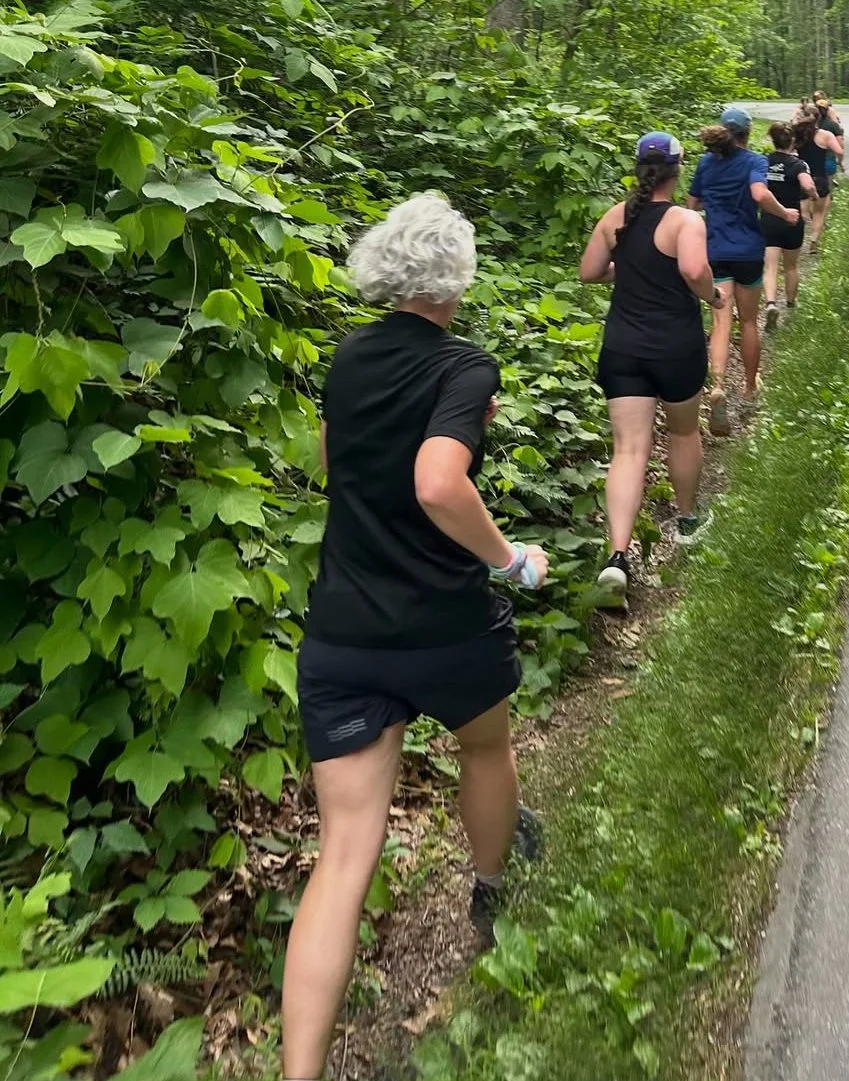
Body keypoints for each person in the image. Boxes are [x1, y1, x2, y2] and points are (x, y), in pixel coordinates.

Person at [282, 194, 548, 1081]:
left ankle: (299, 1073)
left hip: (344, 630)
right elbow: (439, 483)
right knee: (486, 746)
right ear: (456, 277)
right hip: (444, 625)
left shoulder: (348, 356)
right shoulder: (465, 365)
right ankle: (490, 891)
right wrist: (510, 560)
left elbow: (329, 461)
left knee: (343, 854)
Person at [579, 133, 723, 595]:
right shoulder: (686, 221)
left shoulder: (614, 218)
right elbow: (694, 271)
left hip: (623, 347)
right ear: (679, 169)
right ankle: (686, 522)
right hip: (675, 347)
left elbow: (589, 273)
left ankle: (617, 556)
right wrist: (715, 297)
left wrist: (630, 267)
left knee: (628, 451)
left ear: (639, 168)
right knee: (683, 432)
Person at [687, 107, 799, 436]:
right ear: (748, 134)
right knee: (749, 321)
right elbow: (759, 194)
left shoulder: (706, 163)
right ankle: (750, 388)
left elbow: (692, 206)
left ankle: (718, 385)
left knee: (721, 322)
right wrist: (785, 213)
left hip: (716, 252)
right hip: (748, 251)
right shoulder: (754, 162)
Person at [762, 121, 817, 328]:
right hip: (792, 219)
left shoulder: (763, 162)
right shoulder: (798, 164)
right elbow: (807, 184)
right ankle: (791, 304)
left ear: (772, 140)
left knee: (770, 266)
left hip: (769, 218)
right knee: (791, 266)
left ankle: (770, 303)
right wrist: (813, 194)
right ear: (792, 141)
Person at [792, 105, 845, 255]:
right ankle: (814, 240)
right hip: (819, 178)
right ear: (819, 118)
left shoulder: (796, 134)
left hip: (801, 177)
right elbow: (840, 151)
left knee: (803, 210)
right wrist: (839, 161)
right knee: (819, 212)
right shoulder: (825, 135)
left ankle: (803, 234)